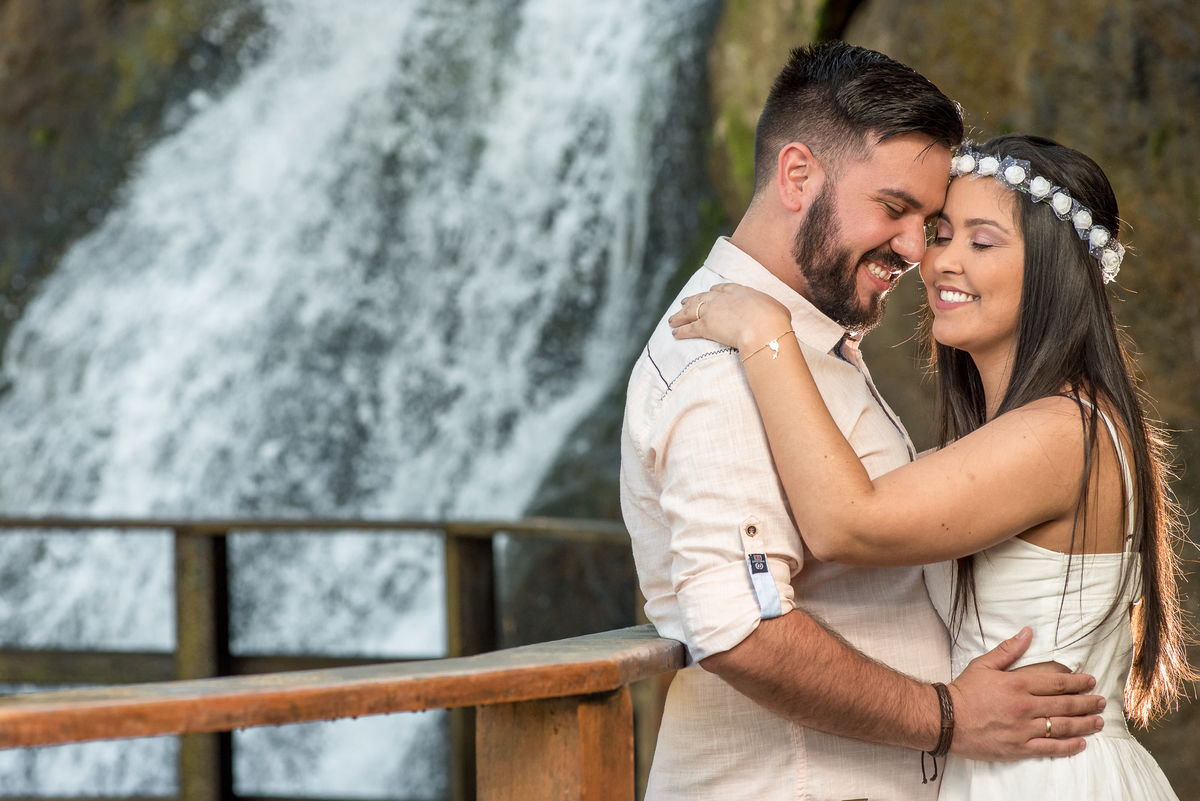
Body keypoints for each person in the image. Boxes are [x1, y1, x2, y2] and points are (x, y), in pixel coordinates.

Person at [620, 42, 1105, 801]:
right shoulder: (724, 369)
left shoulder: (798, 346)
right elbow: (741, 630)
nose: (917, 250)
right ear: (797, 176)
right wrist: (946, 716)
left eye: (932, 222)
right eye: (895, 209)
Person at [669, 134, 1194, 799]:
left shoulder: (1061, 431)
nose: (943, 260)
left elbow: (846, 522)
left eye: (982, 241)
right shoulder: (1035, 428)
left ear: (1054, 271)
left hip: (1048, 778)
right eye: (942, 235)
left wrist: (765, 334)